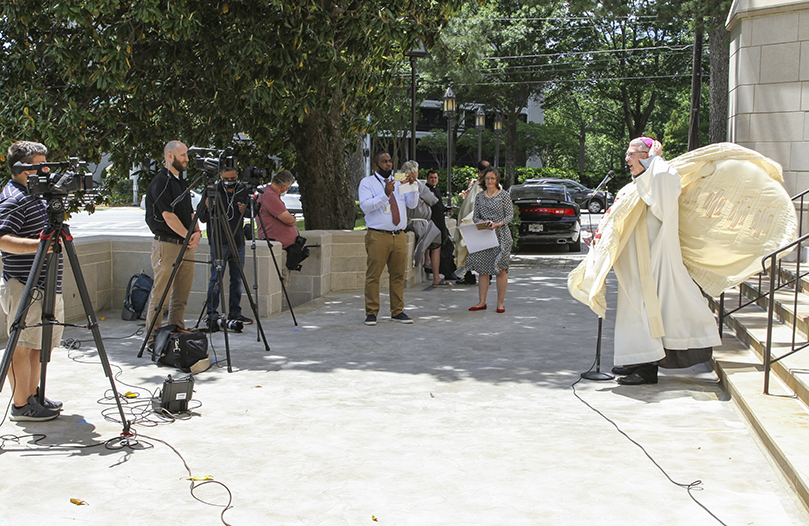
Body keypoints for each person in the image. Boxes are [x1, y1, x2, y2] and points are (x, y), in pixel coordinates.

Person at [599, 137, 722, 385]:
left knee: (648, 312)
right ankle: (636, 359)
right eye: (627, 154)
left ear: (647, 156)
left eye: (632, 154)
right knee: (632, 313)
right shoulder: (639, 183)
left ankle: (647, 369)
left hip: (653, 262)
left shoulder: (663, 177)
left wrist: (657, 159)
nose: (627, 159)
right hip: (634, 263)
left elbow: (664, 186)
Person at [0, 141, 64, 421]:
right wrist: (39, 247)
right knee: (23, 346)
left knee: (41, 344)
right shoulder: (14, 197)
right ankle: (20, 405)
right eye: (40, 164)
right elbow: (2, 239)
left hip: (45, 285)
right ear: (22, 168)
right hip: (24, 284)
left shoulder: (35, 194)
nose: (47, 169)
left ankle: (32, 395)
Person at [144, 141, 201, 347]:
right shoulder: (160, 182)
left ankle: (176, 334)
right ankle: (152, 340)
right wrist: (188, 236)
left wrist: (197, 232)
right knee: (161, 296)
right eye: (183, 155)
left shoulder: (182, 182)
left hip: (185, 244)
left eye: (187, 154)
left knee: (181, 296)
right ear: (169, 156)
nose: (187, 158)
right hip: (167, 245)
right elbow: (169, 217)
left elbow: (189, 212)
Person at [359, 151, 419, 325]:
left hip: (399, 235)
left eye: (390, 161)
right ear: (376, 165)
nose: (388, 164)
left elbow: (412, 204)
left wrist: (413, 187)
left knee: (398, 275)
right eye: (384, 162)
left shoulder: (400, 179)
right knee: (374, 275)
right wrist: (385, 194)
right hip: (378, 235)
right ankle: (371, 312)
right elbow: (366, 207)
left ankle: (397, 310)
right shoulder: (367, 183)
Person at [198, 167, 253, 330]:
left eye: (233, 178)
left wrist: (246, 211)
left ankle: (235, 312)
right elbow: (202, 216)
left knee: (237, 279)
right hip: (218, 240)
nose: (230, 181)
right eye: (227, 178)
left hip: (237, 240)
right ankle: (212, 314)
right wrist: (209, 208)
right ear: (220, 176)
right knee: (216, 279)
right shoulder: (212, 190)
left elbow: (254, 212)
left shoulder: (243, 190)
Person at [467, 167, 512, 313]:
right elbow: (475, 217)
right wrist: (483, 223)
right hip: (484, 235)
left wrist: (497, 224)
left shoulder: (504, 195)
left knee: (501, 269)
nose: (490, 181)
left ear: (497, 180)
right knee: (483, 270)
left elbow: (509, 216)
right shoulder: (480, 196)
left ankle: (500, 303)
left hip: (501, 235)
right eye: (487, 178)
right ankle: (482, 302)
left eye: (492, 178)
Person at [402, 161, 442, 282]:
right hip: (418, 222)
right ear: (414, 172)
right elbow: (433, 200)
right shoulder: (418, 185)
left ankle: (427, 259)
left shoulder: (402, 184)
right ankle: (430, 267)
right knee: (437, 239)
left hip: (410, 221)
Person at [454, 160, 490, 284]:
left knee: (471, 249)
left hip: (474, 223)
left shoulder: (480, 185)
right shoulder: (489, 184)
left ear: (479, 171)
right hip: (483, 223)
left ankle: (472, 276)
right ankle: (482, 276)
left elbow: (473, 204)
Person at [256, 169, 300, 249]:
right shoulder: (270, 195)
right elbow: (289, 220)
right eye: (288, 188)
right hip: (275, 244)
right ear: (283, 186)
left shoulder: (269, 193)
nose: (287, 190)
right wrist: (293, 219)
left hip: (280, 244)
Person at [424, 169, 453, 286]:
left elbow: (438, 206)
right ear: (427, 178)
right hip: (432, 223)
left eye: (435, 178)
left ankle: (443, 273)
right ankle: (435, 274)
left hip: (439, 223)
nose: (433, 180)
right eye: (431, 177)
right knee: (434, 248)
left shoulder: (436, 190)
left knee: (442, 248)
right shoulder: (426, 190)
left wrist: (445, 209)